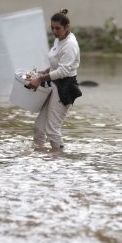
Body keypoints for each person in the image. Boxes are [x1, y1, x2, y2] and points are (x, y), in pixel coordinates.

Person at [27, 9, 82, 151]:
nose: (54, 31)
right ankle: (38, 158)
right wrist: (44, 71)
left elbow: (63, 71)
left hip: (65, 87)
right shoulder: (60, 39)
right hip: (54, 84)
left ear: (67, 27)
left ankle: (59, 162)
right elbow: (56, 63)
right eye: (52, 28)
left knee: (52, 130)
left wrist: (39, 79)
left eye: (58, 28)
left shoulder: (70, 45)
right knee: (39, 127)